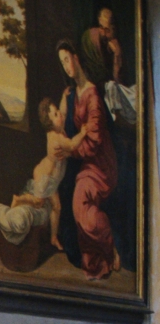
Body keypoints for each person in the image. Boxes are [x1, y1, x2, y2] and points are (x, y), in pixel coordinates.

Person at [55, 39, 119, 280]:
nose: (66, 66)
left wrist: (71, 152)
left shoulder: (93, 96)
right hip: (86, 162)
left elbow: (93, 141)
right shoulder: (75, 93)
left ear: (76, 57)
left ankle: (108, 247)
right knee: (73, 200)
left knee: (80, 203)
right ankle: (96, 257)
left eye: (67, 59)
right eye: (62, 63)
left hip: (101, 163)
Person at [0, 98, 86, 248]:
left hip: (51, 181)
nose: (59, 115)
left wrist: (65, 98)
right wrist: (84, 133)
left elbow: (64, 112)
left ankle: (53, 238)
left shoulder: (58, 130)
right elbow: (73, 145)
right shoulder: (56, 137)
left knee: (57, 207)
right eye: (55, 115)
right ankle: (19, 200)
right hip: (45, 179)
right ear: (49, 122)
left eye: (57, 112)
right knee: (39, 202)